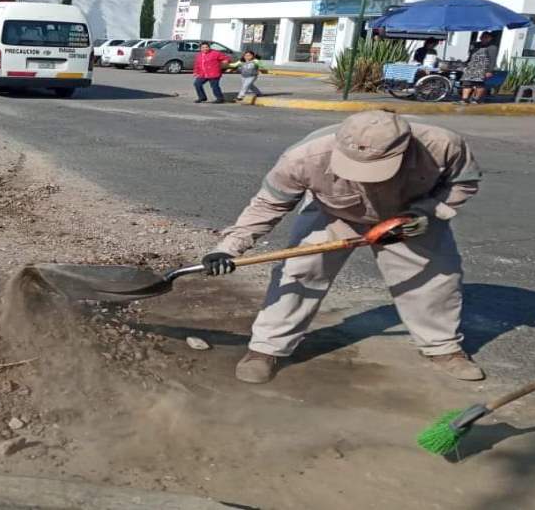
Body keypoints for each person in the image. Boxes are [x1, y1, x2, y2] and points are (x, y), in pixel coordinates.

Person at [201, 110, 485, 384]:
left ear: (405, 149)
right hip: (334, 212)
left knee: (434, 279)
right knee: (299, 272)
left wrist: (424, 212)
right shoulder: (304, 157)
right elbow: (268, 204)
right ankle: (266, 349)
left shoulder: (442, 144)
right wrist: (229, 247)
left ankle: (443, 348)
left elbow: (463, 183)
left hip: (408, 217)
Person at [460, 32, 497, 104]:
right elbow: (471, 56)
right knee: (467, 83)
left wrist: (490, 71)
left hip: (482, 68)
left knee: (479, 84)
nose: (483, 38)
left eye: (486, 37)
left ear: (490, 38)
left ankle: (476, 99)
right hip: (471, 67)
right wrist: (466, 63)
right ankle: (464, 99)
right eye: (482, 37)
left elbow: (492, 60)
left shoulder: (492, 47)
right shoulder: (476, 45)